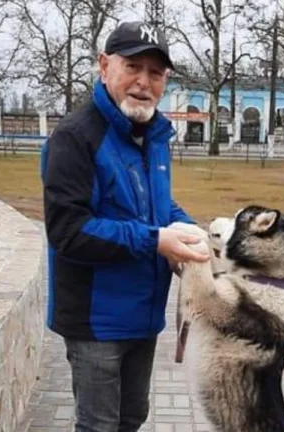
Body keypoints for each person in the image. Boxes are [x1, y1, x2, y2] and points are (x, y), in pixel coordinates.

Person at [40, 21, 210, 432]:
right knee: (99, 426)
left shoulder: (152, 135)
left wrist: (190, 232)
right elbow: (69, 231)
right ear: (104, 66)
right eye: (133, 66)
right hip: (95, 322)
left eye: (156, 73)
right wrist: (157, 240)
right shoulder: (74, 137)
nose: (143, 82)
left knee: (132, 417)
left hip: (143, 317)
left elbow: (157, 205)